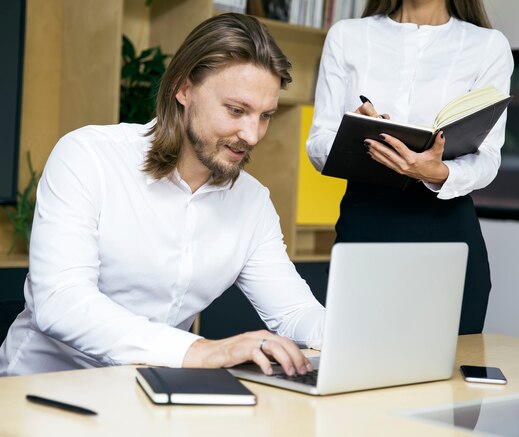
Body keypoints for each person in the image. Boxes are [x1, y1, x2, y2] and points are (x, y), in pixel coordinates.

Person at [0, 13, 325, 376]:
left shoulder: (252, 202)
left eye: (265, 116)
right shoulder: (88, 156)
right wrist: (200, 350)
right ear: (183, 89)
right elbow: (61, 301)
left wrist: (357, 340)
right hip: (42, 390)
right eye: (236, 110)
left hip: (150, 394)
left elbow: (294, 312)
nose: (252, 135)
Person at [306, 0, 513, 334]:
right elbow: (318, 144)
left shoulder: (489, 46)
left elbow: (488, 157)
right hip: (366, 225)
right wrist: (354, 135)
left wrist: (437, 172)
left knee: (450, 372)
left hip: (448, 232)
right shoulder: (347, 36)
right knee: (359, 362)